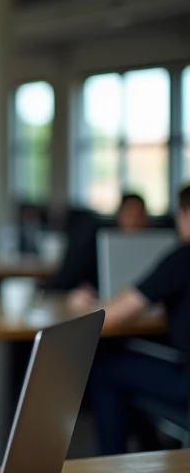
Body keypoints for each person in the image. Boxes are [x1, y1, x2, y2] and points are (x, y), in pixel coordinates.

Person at [89, 185, 190, 456]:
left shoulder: (182, 257)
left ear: (185, 215)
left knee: (105, 369)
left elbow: (114, 315)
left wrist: (91, 302)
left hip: (186, 383)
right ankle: (153, 449)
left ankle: (110, 467)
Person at [52, 193, 148, 309]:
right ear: (118, 215)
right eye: (130, 215)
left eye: (139, 216)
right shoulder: (94, 243)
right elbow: (68, 283)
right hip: (100, 306)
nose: (134, 221)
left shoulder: (154, 248)